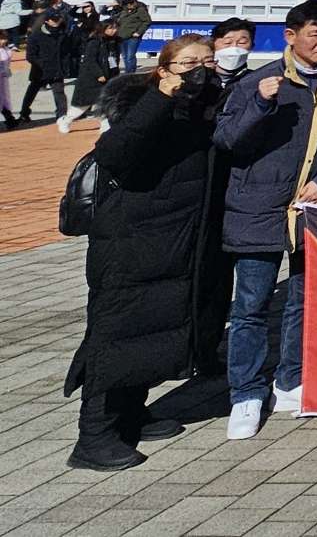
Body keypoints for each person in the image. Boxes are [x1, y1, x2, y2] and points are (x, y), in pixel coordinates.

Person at [213, 0, 317, 439]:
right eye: (314, 34)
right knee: (250, 306)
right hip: (258, 207)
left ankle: (290, 380)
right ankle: (246, 393)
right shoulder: (257, 81)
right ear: (291, 36)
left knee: (304, 301)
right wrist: (261, 104)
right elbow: (228, 140)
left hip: (316, 208)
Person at [62, 36, 228, 470]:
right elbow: (115, 152)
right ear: (164, 69)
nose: (200, 70)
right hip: (130, 243)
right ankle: (93, 436)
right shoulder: (141, 103)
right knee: (115, 336)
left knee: (150, 334)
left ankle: (131, 413)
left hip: (175, 240)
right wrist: (161, 97)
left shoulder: (206, 107)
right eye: (188, 63)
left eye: (207, 61)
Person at [19, 0, 69, 129]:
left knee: (59, 92)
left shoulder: (63, 34)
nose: (57, 21)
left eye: (58, 19)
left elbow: (66, 51)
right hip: (40, 70)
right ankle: (24, 112)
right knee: (32, 91)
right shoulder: (36, 36)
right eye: (54, 19)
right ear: (47, 21)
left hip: (57, 68)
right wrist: (41, 64)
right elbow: (30, 56)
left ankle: (62, 115)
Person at [69, 17, 114, 124]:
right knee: (83, 106)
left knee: (106, 102)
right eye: (111, 28)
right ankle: (66, 120)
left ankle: (105, 125)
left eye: (115, 28)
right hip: (92, 78)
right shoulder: (94, 42)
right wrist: (99, 74)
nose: (114, 30)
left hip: (107, 76)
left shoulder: (112, 42)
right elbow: (90, 61)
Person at [113, 0, 152, 76]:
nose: (129, 5)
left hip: (132, 37)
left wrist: (139, 32)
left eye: (131, 3)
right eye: (127, 3)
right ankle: (128, 71)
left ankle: (130, 72)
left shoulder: (140, 10)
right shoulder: (124, 10)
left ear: (135, 2)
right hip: (121, 36)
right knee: (124, 56)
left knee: (130, 56)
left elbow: (147, 22)